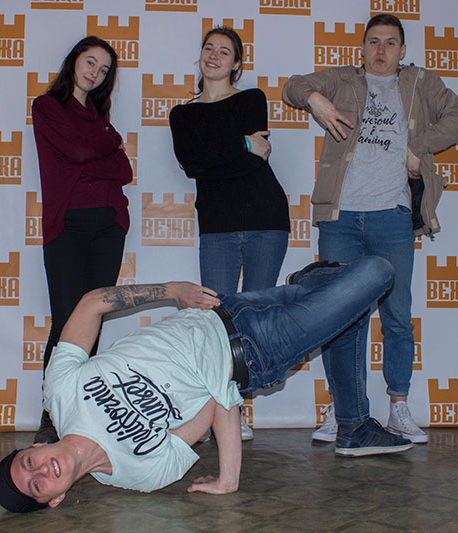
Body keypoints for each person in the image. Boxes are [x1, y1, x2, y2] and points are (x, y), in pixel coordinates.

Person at [0, 257, 413, 513]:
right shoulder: (139, 473)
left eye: (29, 463)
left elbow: (91, 304)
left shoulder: (60, 394)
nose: (42, 470)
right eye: (38, 485)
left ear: (32, 448)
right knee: (378, 272)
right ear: (55, 499)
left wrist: (172, 290)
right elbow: (215, 402)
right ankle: (316, 285)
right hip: (258, 352)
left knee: (332, 298)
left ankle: (311, 283)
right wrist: (229, 478)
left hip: (223, 308)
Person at [282, 14, 458, 444]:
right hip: (341, 218)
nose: (381, 50)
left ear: (403, 50)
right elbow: (292, 86)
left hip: (392, 216)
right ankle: (344, 409)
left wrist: (418, 147)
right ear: (363, 47)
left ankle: (399, 408)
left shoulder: (421, 83)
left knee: (397, 316)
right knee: (338, 317)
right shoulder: (342, 80)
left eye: (390, 43)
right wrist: (316, 100)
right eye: (373, 42)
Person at [169, 27, 291, 441]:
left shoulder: (252, 99)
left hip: (265, 219)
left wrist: (218, 153)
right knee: (215, 321)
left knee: (253, 321)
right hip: (217, 227)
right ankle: (222, 410)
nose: (214, 56)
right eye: (208, 48)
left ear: (237, 63)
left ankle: (237, 408)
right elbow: (193, 163)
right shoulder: (182, 115)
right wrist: (241, 143)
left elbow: (253, 161)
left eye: (224, 51)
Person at [31, 36, 133, 444]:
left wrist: (96, 154)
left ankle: (78, 417)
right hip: (68, 225)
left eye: (104, 70)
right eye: (91, 62)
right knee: (66, 322)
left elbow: (123, 170)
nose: (95, 73)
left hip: (109, 225)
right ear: (73, 61)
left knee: (92, 321)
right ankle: (51, 417)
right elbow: (76, 153)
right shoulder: (47, 107)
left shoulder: (98, 117)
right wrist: (107, 144)